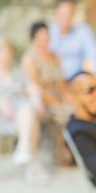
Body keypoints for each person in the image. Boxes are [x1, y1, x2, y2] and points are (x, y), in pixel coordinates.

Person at [0, 38, 48, 183]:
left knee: (29, 109)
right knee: (30, 115)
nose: (5, 54)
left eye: (8, 51)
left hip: (20, 115)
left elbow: (32, 87)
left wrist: (37, 98)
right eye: (1, 50)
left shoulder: (17, 71)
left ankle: (24, 147)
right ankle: (31, 160)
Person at [21, 21, 72, 166]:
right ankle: (62, 155)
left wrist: (67, 100)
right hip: (43, 102)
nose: (44, 41)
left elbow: (62, 83)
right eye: (41, 38)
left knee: (78, 111)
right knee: (65, 115)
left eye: (46, 37)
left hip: (59, 98)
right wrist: (56, 104)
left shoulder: (55, 56)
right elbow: (36, 86)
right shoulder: (29, 59)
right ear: (34, 38)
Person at [49, 0, 96, 80]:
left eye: (69, 13)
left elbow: (92, 56)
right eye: (63, 13)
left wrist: (93, 76)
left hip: (77, 80)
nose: (66, 16)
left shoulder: (83, 31)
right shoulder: (48, 33)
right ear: (56, 14)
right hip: (53, 80)